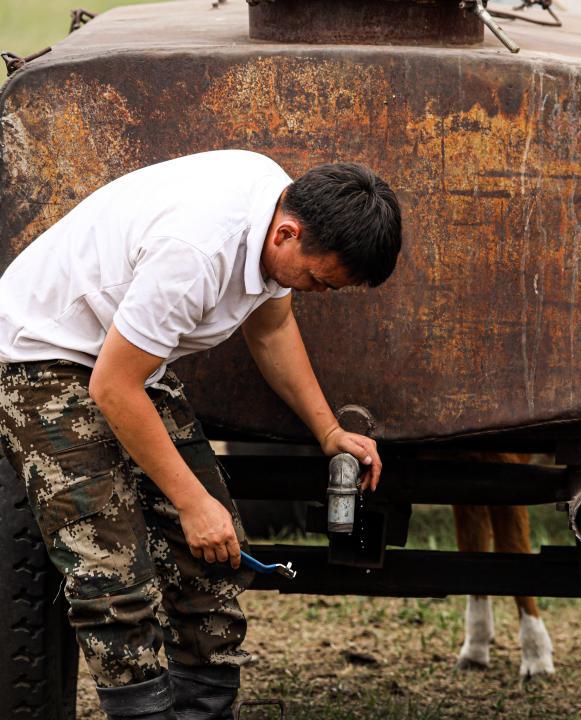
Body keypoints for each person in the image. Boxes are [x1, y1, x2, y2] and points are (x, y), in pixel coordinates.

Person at [0, 150, 402, 720]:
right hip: (42, 358)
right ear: (288, 233)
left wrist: (329, 430)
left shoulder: (281, 208)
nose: (318, 292)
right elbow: (114, 388)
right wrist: (191, 502)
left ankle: (205, 710)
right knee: (113, 578)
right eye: (317, 279)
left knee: (215, 554)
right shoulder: (196, 250)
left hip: (130, 363)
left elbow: (273, 326)